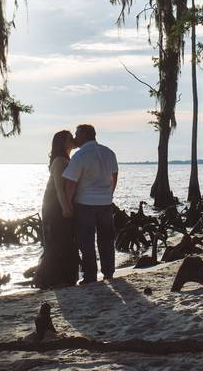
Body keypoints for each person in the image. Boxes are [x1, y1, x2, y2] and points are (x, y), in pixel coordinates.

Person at [62, 124, 119, 284]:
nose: (75, 138)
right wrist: (109, 193)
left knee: (86, 240)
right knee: (107, 239)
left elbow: (70, 183)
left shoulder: (80, 156)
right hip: (105, 203)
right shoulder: (109, 152)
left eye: (77, 134)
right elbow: (114, 175)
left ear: (85, 135)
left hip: (85, 203)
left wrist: (68, 204)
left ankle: (90, 276)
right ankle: (108, 273)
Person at [33, 130, 80, 289]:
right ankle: (51, 278)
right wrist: (66, 208)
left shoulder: (68, 158)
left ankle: (65, 276)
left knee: (65, 239)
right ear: (62, 143)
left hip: (63, 202)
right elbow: (59, 189)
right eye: (70, 138)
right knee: (56, 240)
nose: (73, 139)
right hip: (55, 204)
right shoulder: (59, 161)